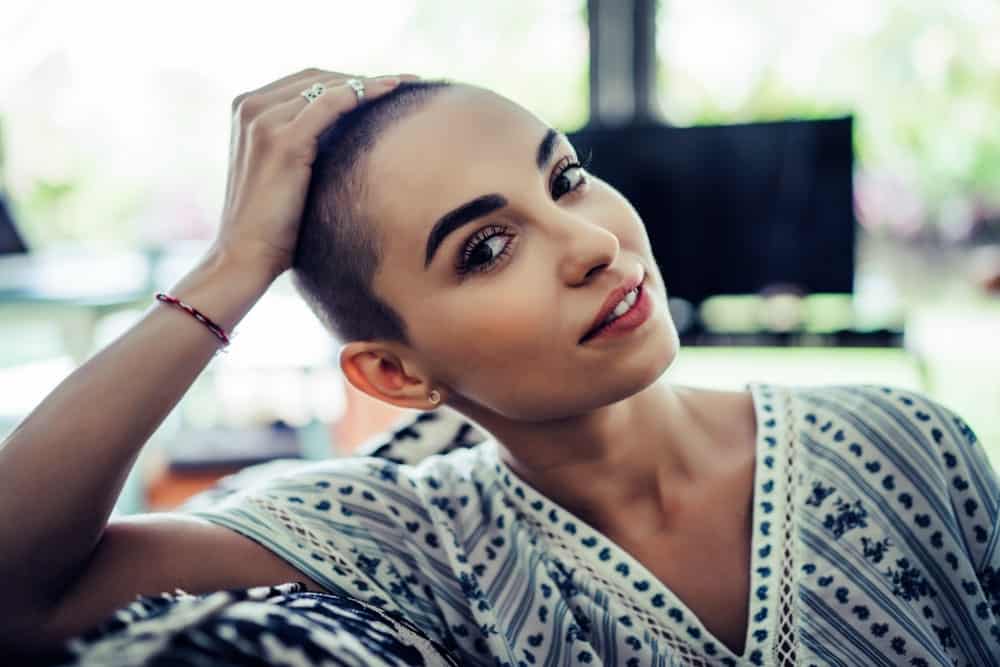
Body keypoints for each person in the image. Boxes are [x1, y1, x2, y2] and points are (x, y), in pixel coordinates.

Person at [0, 68, 997, 667]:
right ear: (395, 374)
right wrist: (229, 267)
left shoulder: (907, 443)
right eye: (485, 246)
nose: (591, 241)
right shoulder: (405, 538)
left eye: (564, 175)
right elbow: (17, 592)